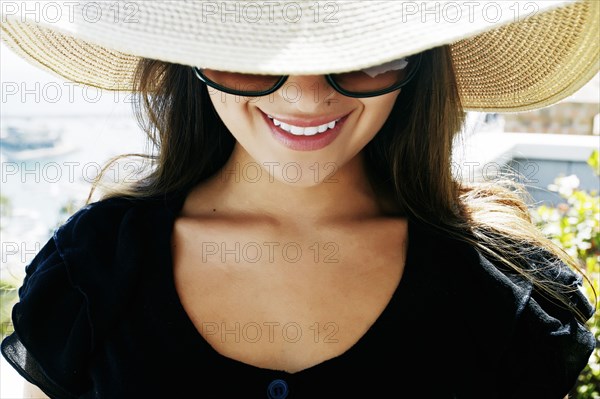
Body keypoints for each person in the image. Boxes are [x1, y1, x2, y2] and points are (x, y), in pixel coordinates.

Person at [1, 1, 598, 398]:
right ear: (192, 59)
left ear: (421, 63)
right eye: (257, 53)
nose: (307, 97)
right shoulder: (91, 270)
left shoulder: (506, 296)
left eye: (360, 54)